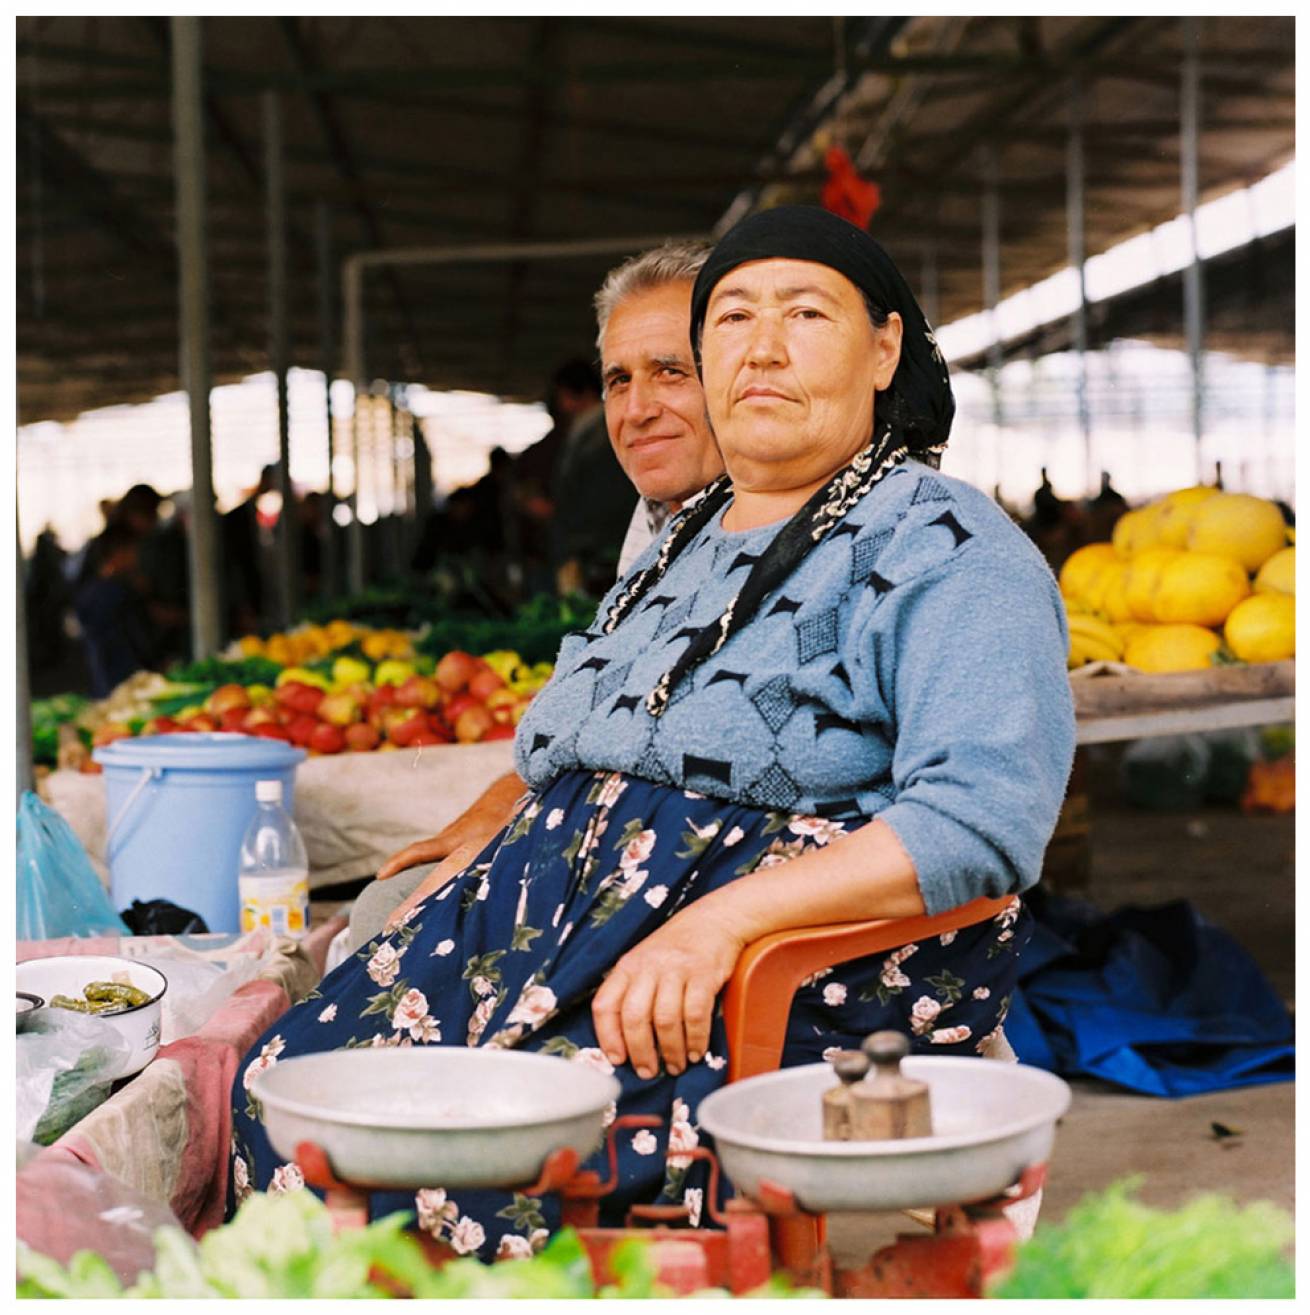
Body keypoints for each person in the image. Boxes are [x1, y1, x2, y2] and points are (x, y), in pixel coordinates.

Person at [228, 208, 1075, 1257]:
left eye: (804, 313)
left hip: (754, 970)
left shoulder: (946, 542)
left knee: (480, 1167)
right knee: (282, 1095)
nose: (759, 347)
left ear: (883, 349)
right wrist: (500, 830)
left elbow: (981, 820)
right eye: (730, 319)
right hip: (559, 938)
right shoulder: (681, 540)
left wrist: (715, 925)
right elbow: (576, 740)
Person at [351, 239, 723, 944]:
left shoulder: (790, 527)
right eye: (618, 379)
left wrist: (530, 809)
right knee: (382, 907)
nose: (637, 407)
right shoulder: (658, 526)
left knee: (386, 925)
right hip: (616, 828)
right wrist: (513, 794)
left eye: (671, 371)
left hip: (681, 865)